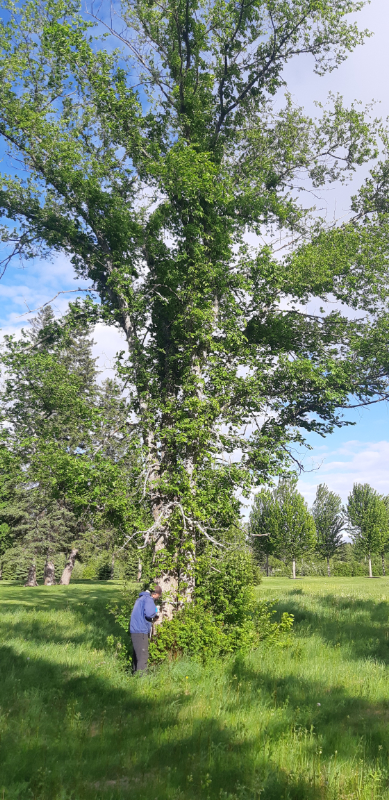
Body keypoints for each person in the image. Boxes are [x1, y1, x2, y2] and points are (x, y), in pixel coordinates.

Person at [129, 585, 162, 672]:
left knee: (137, 656)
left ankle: (135, 676)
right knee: (143, 656)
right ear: (155, 594)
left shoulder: (141, 598)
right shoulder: (148, 599)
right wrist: (156, 611)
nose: (158, 598)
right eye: (158, 596)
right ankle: (141, 680)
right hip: (141, 630)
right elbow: (149, 613)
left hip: (135, 630)